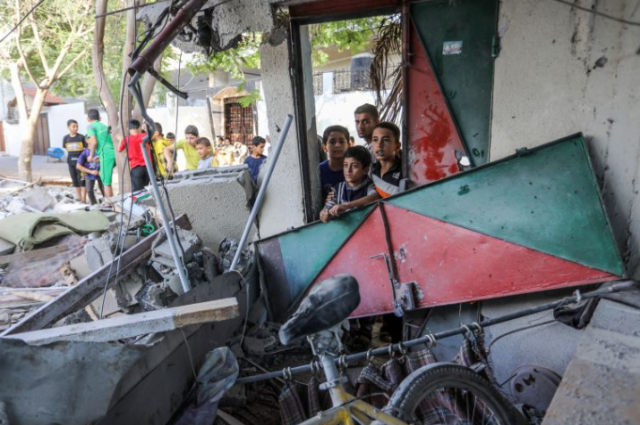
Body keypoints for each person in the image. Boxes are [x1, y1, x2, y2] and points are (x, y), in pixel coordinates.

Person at [320, 146, 379, 223]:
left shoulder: (369, 185)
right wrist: (324, 214)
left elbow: (374, 197)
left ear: (366, 170)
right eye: (345, 165)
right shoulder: (338, 188)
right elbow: (326, 209)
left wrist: (346, 205)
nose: (348, 170)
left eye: (354, 166)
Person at [86, 109, 115, 197]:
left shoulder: (90, 127)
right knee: (104, 176)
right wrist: (98, 156)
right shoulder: (105, 126)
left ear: (88, 119)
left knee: (106, 181)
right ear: (100, 118)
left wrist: (90, 156)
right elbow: (107, 142)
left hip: (106, 154)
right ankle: (112, 201)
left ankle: (109, 204)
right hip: (113, 153)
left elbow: (94, 142)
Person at [371, 122, 403, 198]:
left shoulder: (405, 172)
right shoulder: (372, 170)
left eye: (385, 140)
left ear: (397, 146)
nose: (379, 145)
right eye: (375, 140)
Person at [318, 125, 349, 201]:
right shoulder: (319, 170)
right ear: (324, 148)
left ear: (349, 145)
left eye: (341, 141)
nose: (337, 145)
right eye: (332, 142)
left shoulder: (356, 167)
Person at [62, 119, 87, 202]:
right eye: (73, 126)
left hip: (81, 163)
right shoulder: (65, 138)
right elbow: (65, 148)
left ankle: (84, 198)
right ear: (68, 127)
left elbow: (86, 148)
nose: (75, 128)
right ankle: (79, 197)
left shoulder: (81, 137)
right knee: (75, 180)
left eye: (77, 126)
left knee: (82, 180)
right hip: (71, 162)